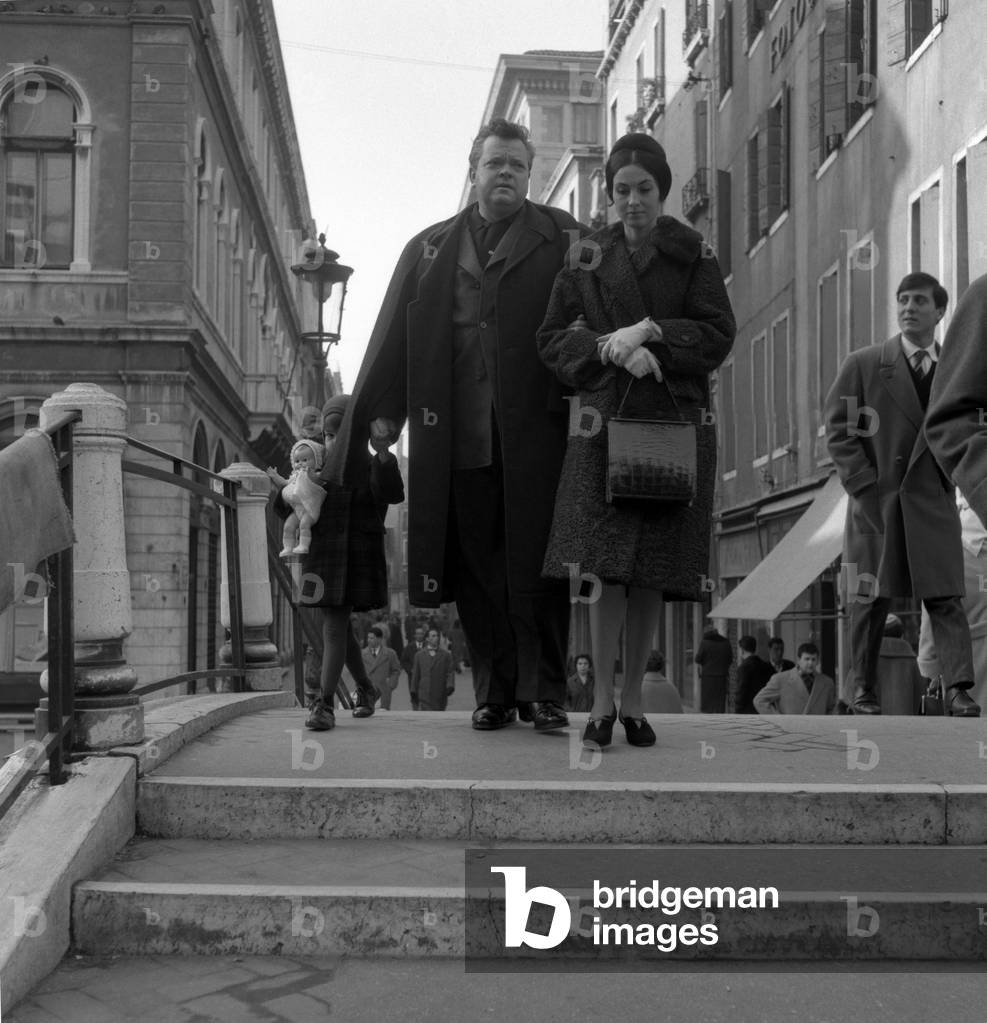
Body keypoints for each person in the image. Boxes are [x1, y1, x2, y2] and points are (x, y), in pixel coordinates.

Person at [331, 118, 586, 734]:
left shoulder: (563, 237)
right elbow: (393, 339)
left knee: (542, 566)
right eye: (496, 163)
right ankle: (496, 692)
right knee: (477, 572)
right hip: (459, 438)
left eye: (518, 166)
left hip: (539, 438)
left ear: (529, 175)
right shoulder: (429, 249)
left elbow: (600, 317)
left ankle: (544, 692)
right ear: (473, 170)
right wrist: (381, 413)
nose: (506, 173)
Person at [537, 133, 735, 749]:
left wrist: (651, 335)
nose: (632, 201)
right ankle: (598, 703)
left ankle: (633, 704)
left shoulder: (691, 253)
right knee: (602, 571)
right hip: (602, 425)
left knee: (650, 568)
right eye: (621, 190)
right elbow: (550, 338)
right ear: (610, 194)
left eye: (643, 189)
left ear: (662, 190)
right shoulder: (586, 257)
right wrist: (607, 350)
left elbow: (719, 331)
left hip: (673, 424)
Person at [825, 271, 979, 717]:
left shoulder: (956, 368)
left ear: (940, 310)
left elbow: (970, 425)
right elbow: (840, 432)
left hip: (933, 500)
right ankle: (863, 690)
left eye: (919, 301)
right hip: (878, 503)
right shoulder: (865, 363)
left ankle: (958, 689)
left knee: (946, 597)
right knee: (869, 601)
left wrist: (957, 478)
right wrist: (863, 487)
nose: (908, 307)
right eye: (902, 300)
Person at [277, 394, 405, 731]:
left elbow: (392, 492)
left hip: (357, 558)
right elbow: (286, 505)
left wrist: (382, 452)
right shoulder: (318, 466)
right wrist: (291, 485)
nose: (333, 442)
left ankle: (324, 703)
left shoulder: (371, 464)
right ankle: (365, 688)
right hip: (324, 559)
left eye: (340, 435)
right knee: (339, 627)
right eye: (329, 436)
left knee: (333, 625)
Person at [266, 439, 326, 557]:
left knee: (304, 525)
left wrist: (311, 475)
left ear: (316, 462)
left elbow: (319, 481)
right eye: (297, 461)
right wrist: (275, 476)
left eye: (305, 460)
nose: (300, 464)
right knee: (288, 526)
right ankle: (288, 547)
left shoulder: (315, 475)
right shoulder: (295, 477)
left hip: (309, 509)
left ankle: (304, 545)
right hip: (297, 509)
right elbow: (284, 483)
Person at [754, 642, 836, 715]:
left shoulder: (827, 682)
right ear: (799, 660)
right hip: (790, 730)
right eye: (807, 659)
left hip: (818, 730)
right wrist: (778, 720)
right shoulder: (780, 679)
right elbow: (759, 701)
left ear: (818, 661)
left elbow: (831, 708)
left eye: (813, 659)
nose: (810, 663)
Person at [410, 627, 455, 711]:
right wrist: (413, 690)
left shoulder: (446, 655)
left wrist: (450, 686)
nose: (436, 638)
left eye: (437, 636)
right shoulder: (419, 655)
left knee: (439, 716)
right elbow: (416, 675)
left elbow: (450, 672)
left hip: (440, 692)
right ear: (427, 638)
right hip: (424, 692)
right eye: (433, 636)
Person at [694, 627, 734, 714]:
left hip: (708, 677)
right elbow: (730, 659)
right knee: (720, 702)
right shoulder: (726, 642)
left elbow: (698, 659)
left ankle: (708, 719)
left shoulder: (705, 642)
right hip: (722, 676)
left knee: (708, 702)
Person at [362, 625, 402, 711]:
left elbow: (396, 670)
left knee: (383, 718)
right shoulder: (362, 654)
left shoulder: (390, 654)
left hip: (383, 692)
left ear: (379, 639)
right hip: (367, 692)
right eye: (368, 638)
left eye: (372, 638)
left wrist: (390, 686)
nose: (368, 640)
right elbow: (357, 673)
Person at [735, 635, 773, 714]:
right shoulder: (766, 666)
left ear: (742, 650)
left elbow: (741, 691)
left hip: (747, 711)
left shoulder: (744, 668)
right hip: (763, 709)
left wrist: (738, 709)